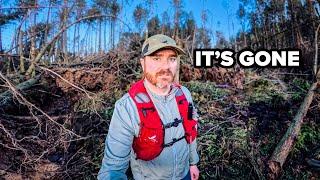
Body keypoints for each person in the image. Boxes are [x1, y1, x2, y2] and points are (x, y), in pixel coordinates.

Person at [98, 34, 200, 180]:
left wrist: (193, 163)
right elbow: (113, 168)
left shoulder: (184, 94)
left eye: (171, 58)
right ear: (142, 63)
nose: (165, 66)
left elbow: (190, 131)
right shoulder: (127, 107)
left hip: (185, 175)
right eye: (156, 58)